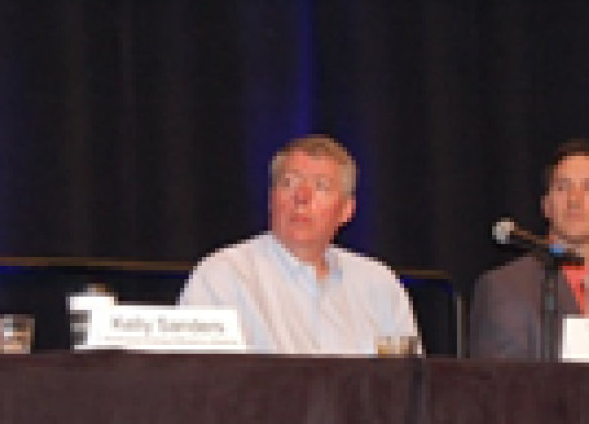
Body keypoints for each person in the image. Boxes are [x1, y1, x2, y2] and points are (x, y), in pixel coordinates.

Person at [177, 134, 420, 355]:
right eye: (289, 182)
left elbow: (409, 389)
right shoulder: (222, 277)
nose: (301, 197)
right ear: (272, 198)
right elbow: (197, 386)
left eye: (321, 186)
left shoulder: (379, 284)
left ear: (347, 210)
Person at [467, 138, 589, 360]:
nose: (574, 199)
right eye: (562, 187)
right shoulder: (507, 288)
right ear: (546, 206)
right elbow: (498, 388)